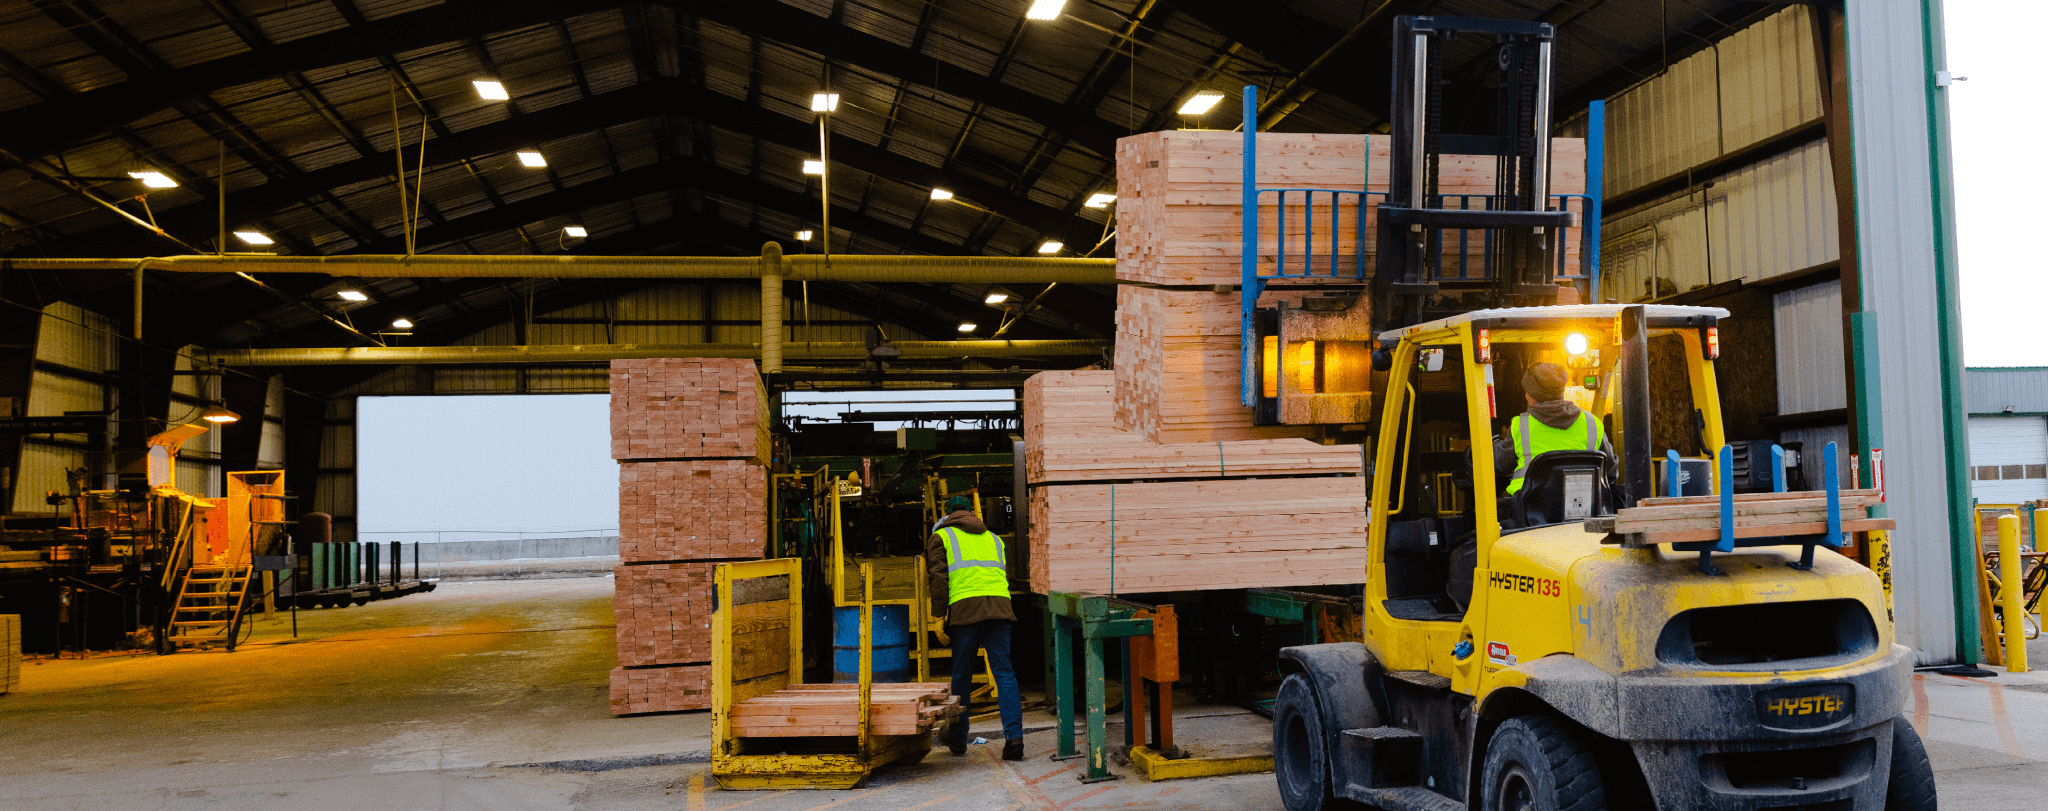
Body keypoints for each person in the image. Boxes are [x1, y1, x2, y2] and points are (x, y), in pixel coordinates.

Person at [925, 495, 1024, 760]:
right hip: (1001, 609)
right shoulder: (994, 538)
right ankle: (1014, 739)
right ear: (970, 513)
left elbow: (938, 581)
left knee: (962, 678)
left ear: (947, 516)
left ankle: (958, 741)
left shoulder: (941, 537)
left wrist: (937, 619)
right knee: (1004, 674)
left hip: (966, 612)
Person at [1492, 362, 1613, 494]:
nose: (1526, 396)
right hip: (1585, 504)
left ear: (1531, 395)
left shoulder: (1520, 425)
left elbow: (1502, 465)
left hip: (1530, 506)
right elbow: (1611, 470)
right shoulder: (1592, 423)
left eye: (1527, 392)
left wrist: (1495, 444)